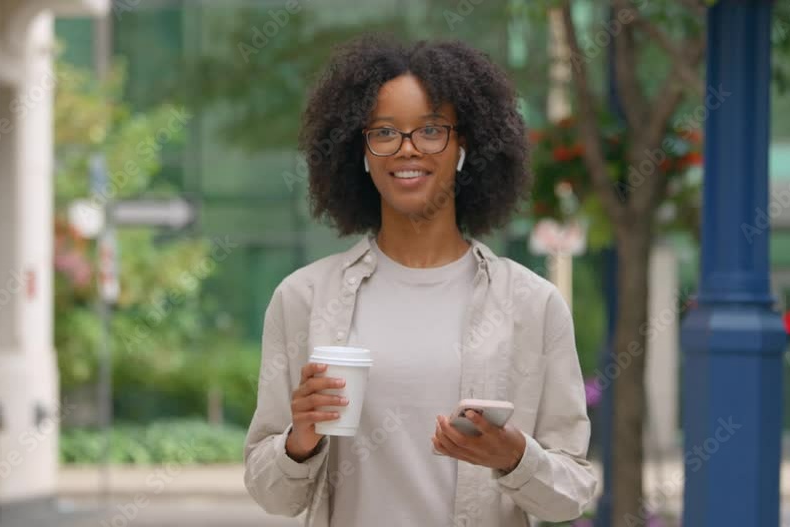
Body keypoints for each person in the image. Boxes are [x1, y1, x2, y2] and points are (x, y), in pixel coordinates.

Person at [243, 35, 597, 527]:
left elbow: (572, 494)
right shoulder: (303, 299)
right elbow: (273, 495)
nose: (407, 150)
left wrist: (514, 458)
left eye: (431, 131)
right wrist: (299, 440)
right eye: (384, 132)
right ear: (361, 151)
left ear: (463, 144)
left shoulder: (533, 305)